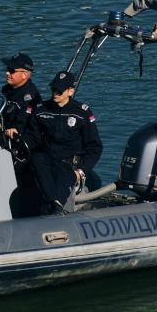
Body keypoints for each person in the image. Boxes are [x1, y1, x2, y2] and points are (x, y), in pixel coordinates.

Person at [24, 71, 103, 215]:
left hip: (69, 166)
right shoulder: (41, 110)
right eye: (53, 89)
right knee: (37, 159)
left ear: (70, 91)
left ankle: (55, 208)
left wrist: (81, 171)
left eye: (59, 91)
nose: (55, 93)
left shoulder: (81, 113)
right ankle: (53, 204)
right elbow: (32, 137)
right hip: (47, 163)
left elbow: (95, 148)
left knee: (59, 191)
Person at [0, 52, 41, 144]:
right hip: (4, 134)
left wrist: (16, 129)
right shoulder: (7, 90)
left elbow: (25, 120)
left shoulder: (31, 97)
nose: (7, 73)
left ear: (24, 75)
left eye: (11, 70)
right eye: (7, 69)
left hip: (21, 140)